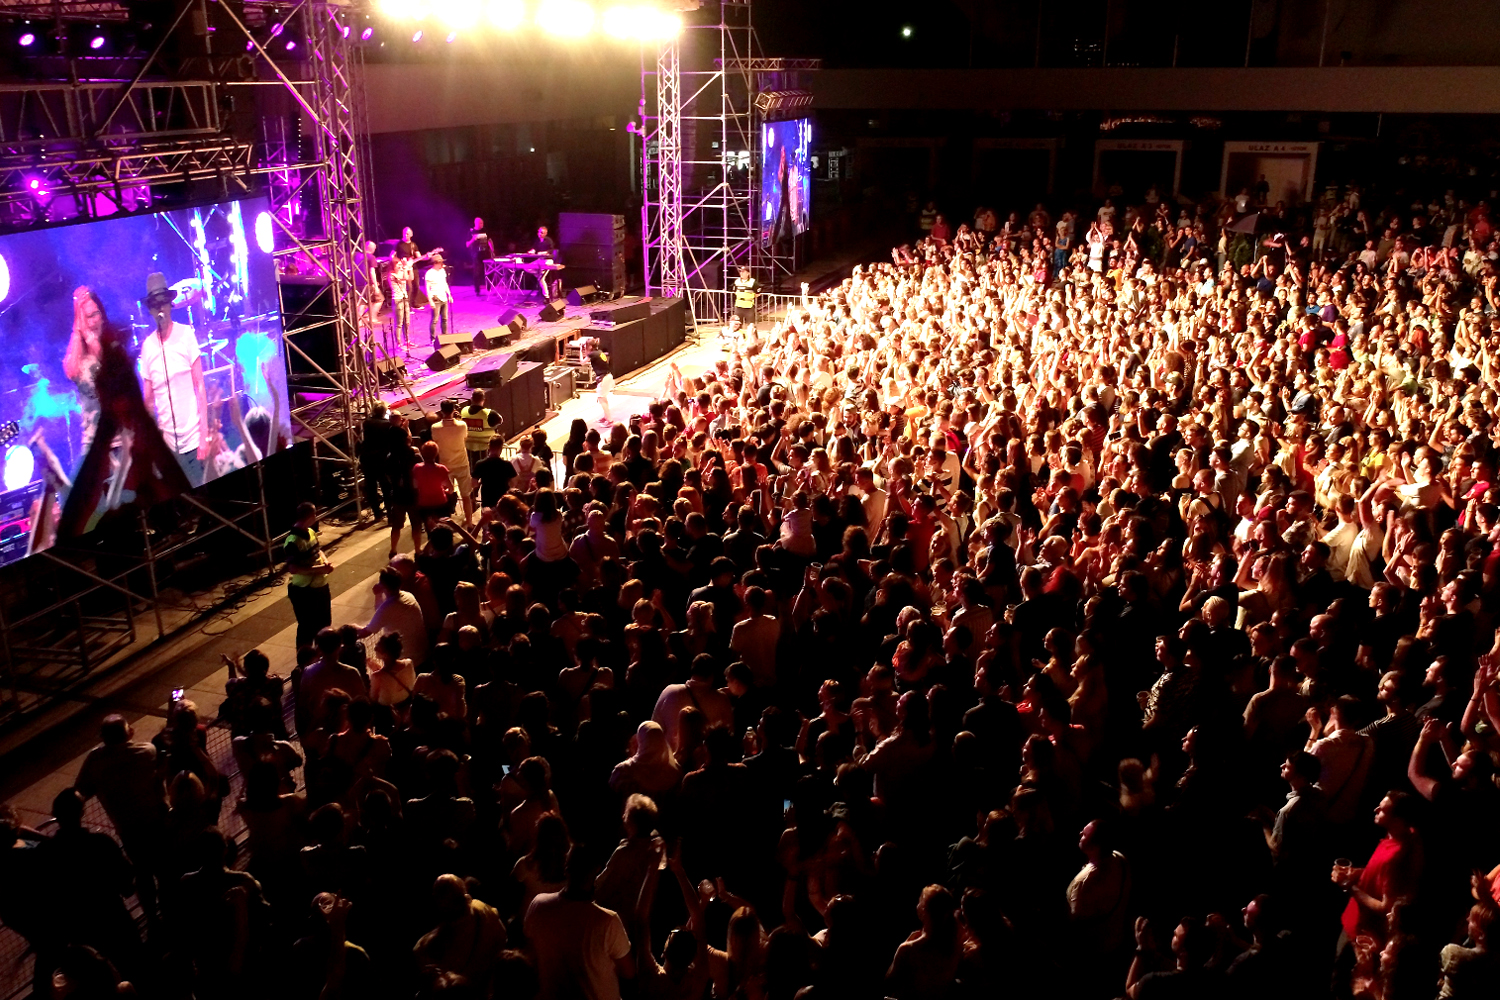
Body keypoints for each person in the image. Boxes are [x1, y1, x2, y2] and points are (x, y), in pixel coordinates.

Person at [525, 846, 633, 1000]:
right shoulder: (607, 920)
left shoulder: (539, 905)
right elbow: (628, 972)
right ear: (596, 870)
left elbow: (530, 955)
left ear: (566, 868)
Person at [137, 272, 209, 485]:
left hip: (194, 442)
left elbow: (200, 386)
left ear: (170, 304)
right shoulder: (148, 347)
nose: (160, 308)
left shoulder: (186, 334)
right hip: (168, 448)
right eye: (155, 305)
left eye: (163, 303)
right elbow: (148, 402)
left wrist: (204, 436)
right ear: (150, 310)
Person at [284, 500, 334, 650]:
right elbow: (293, 568)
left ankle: (322, 654)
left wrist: (325, 562)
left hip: (320, 587)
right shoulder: (293, 541)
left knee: (324, 625)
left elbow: (318, 550)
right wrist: (319, 569)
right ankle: (305, 658)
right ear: (311, 516)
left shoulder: (311, 532)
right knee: (307, 629)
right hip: (305, 591)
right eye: (315, 514)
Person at [431, 400, 475, 525]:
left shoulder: (435, 427)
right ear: (453, 410)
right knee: (466, 496)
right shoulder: (462, 425)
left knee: (446, 496)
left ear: (441, 411)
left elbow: (436, 441)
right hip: (462, 464)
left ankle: (446, 522)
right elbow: (465, 437)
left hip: (446, 466)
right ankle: (469, 522)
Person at [459, 388, 502, 471]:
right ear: (484, 400)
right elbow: (500, 421)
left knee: (472, 471)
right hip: (485, 449)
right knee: (486, 471)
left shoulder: (464, 411)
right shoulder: (489, 413)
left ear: (471, 399)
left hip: (469, 448)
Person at [426, 251, 452, 343]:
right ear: (436, 263)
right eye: (440, 262)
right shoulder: (429, 273)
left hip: (443, 297)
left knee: (445, 319)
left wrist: (449, 295)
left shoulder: (442, 271)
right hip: (436, 298)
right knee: (435, 320)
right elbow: (428, 288)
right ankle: (432, 339)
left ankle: (445, 337)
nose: (442, 264)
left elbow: (445, 283)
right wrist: (430, 301)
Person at [466, 216, 494, 294]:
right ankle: (477, 290)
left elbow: (489, 241)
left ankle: (489, 288)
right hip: (476, 255)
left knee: (489, 271)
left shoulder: (485, 230)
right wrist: (473, 239)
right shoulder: (471, 232)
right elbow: (467, 244)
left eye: (482, 223)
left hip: (486, 253)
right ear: (476, 223)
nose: (482, 224)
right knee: (477, 272)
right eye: (480, 223)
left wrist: (492, 250)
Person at [589, 338, 614, 426]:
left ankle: (609, 420)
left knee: (601, 398)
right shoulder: (599, 352)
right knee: (604, 398)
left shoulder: (593, 354)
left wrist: (581, 350)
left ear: (590, 346)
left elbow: (582, 362)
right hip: (608, 376)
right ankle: (605, 417)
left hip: (604, 378)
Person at [734, 266, 758, 330]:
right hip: (738, 305)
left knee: (751, 325)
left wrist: (750, 297)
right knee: (737, 324)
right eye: (740, 272)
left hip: (749, 306)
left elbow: (758, 293)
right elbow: (734, 291)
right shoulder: (737, 281)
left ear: (748, 273)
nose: (741, 273)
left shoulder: (753, 282)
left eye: (743, 272)